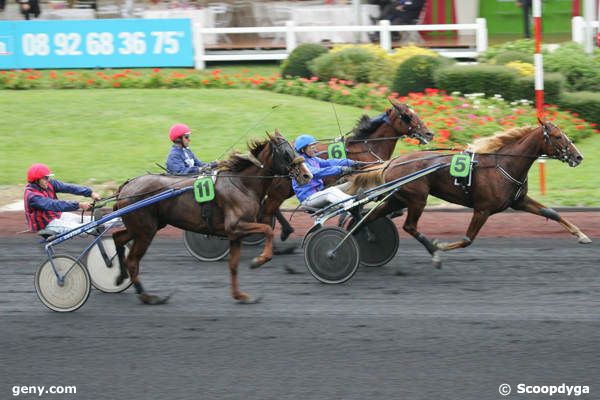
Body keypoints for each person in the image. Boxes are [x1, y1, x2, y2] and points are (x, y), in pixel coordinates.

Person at [24, 163, 101, 234]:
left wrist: (90, 193)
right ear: (36, 180)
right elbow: (55, 205)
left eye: (48, 177)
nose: (48, 180)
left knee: (93, 220)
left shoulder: (49, 183)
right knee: (82, 229)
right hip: (46, 224)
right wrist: (78, 205)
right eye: (45, 178)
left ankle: (106, 222)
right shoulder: (32, 195)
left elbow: (68, 187)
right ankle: (92, 229)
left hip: (57, 215)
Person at [292, 134, 364, 209]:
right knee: (331, 191)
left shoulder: (314, 159)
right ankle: (352, 204)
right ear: (303, 149)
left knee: (353, 184)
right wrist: (341, 169)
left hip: (320, 193)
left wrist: (351, 162)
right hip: (309, 199)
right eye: (312, 147)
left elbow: (329, 162)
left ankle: (361, 204)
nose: (315, 150)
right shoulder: (300, 164)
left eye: (315, 147)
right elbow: (317, 173)